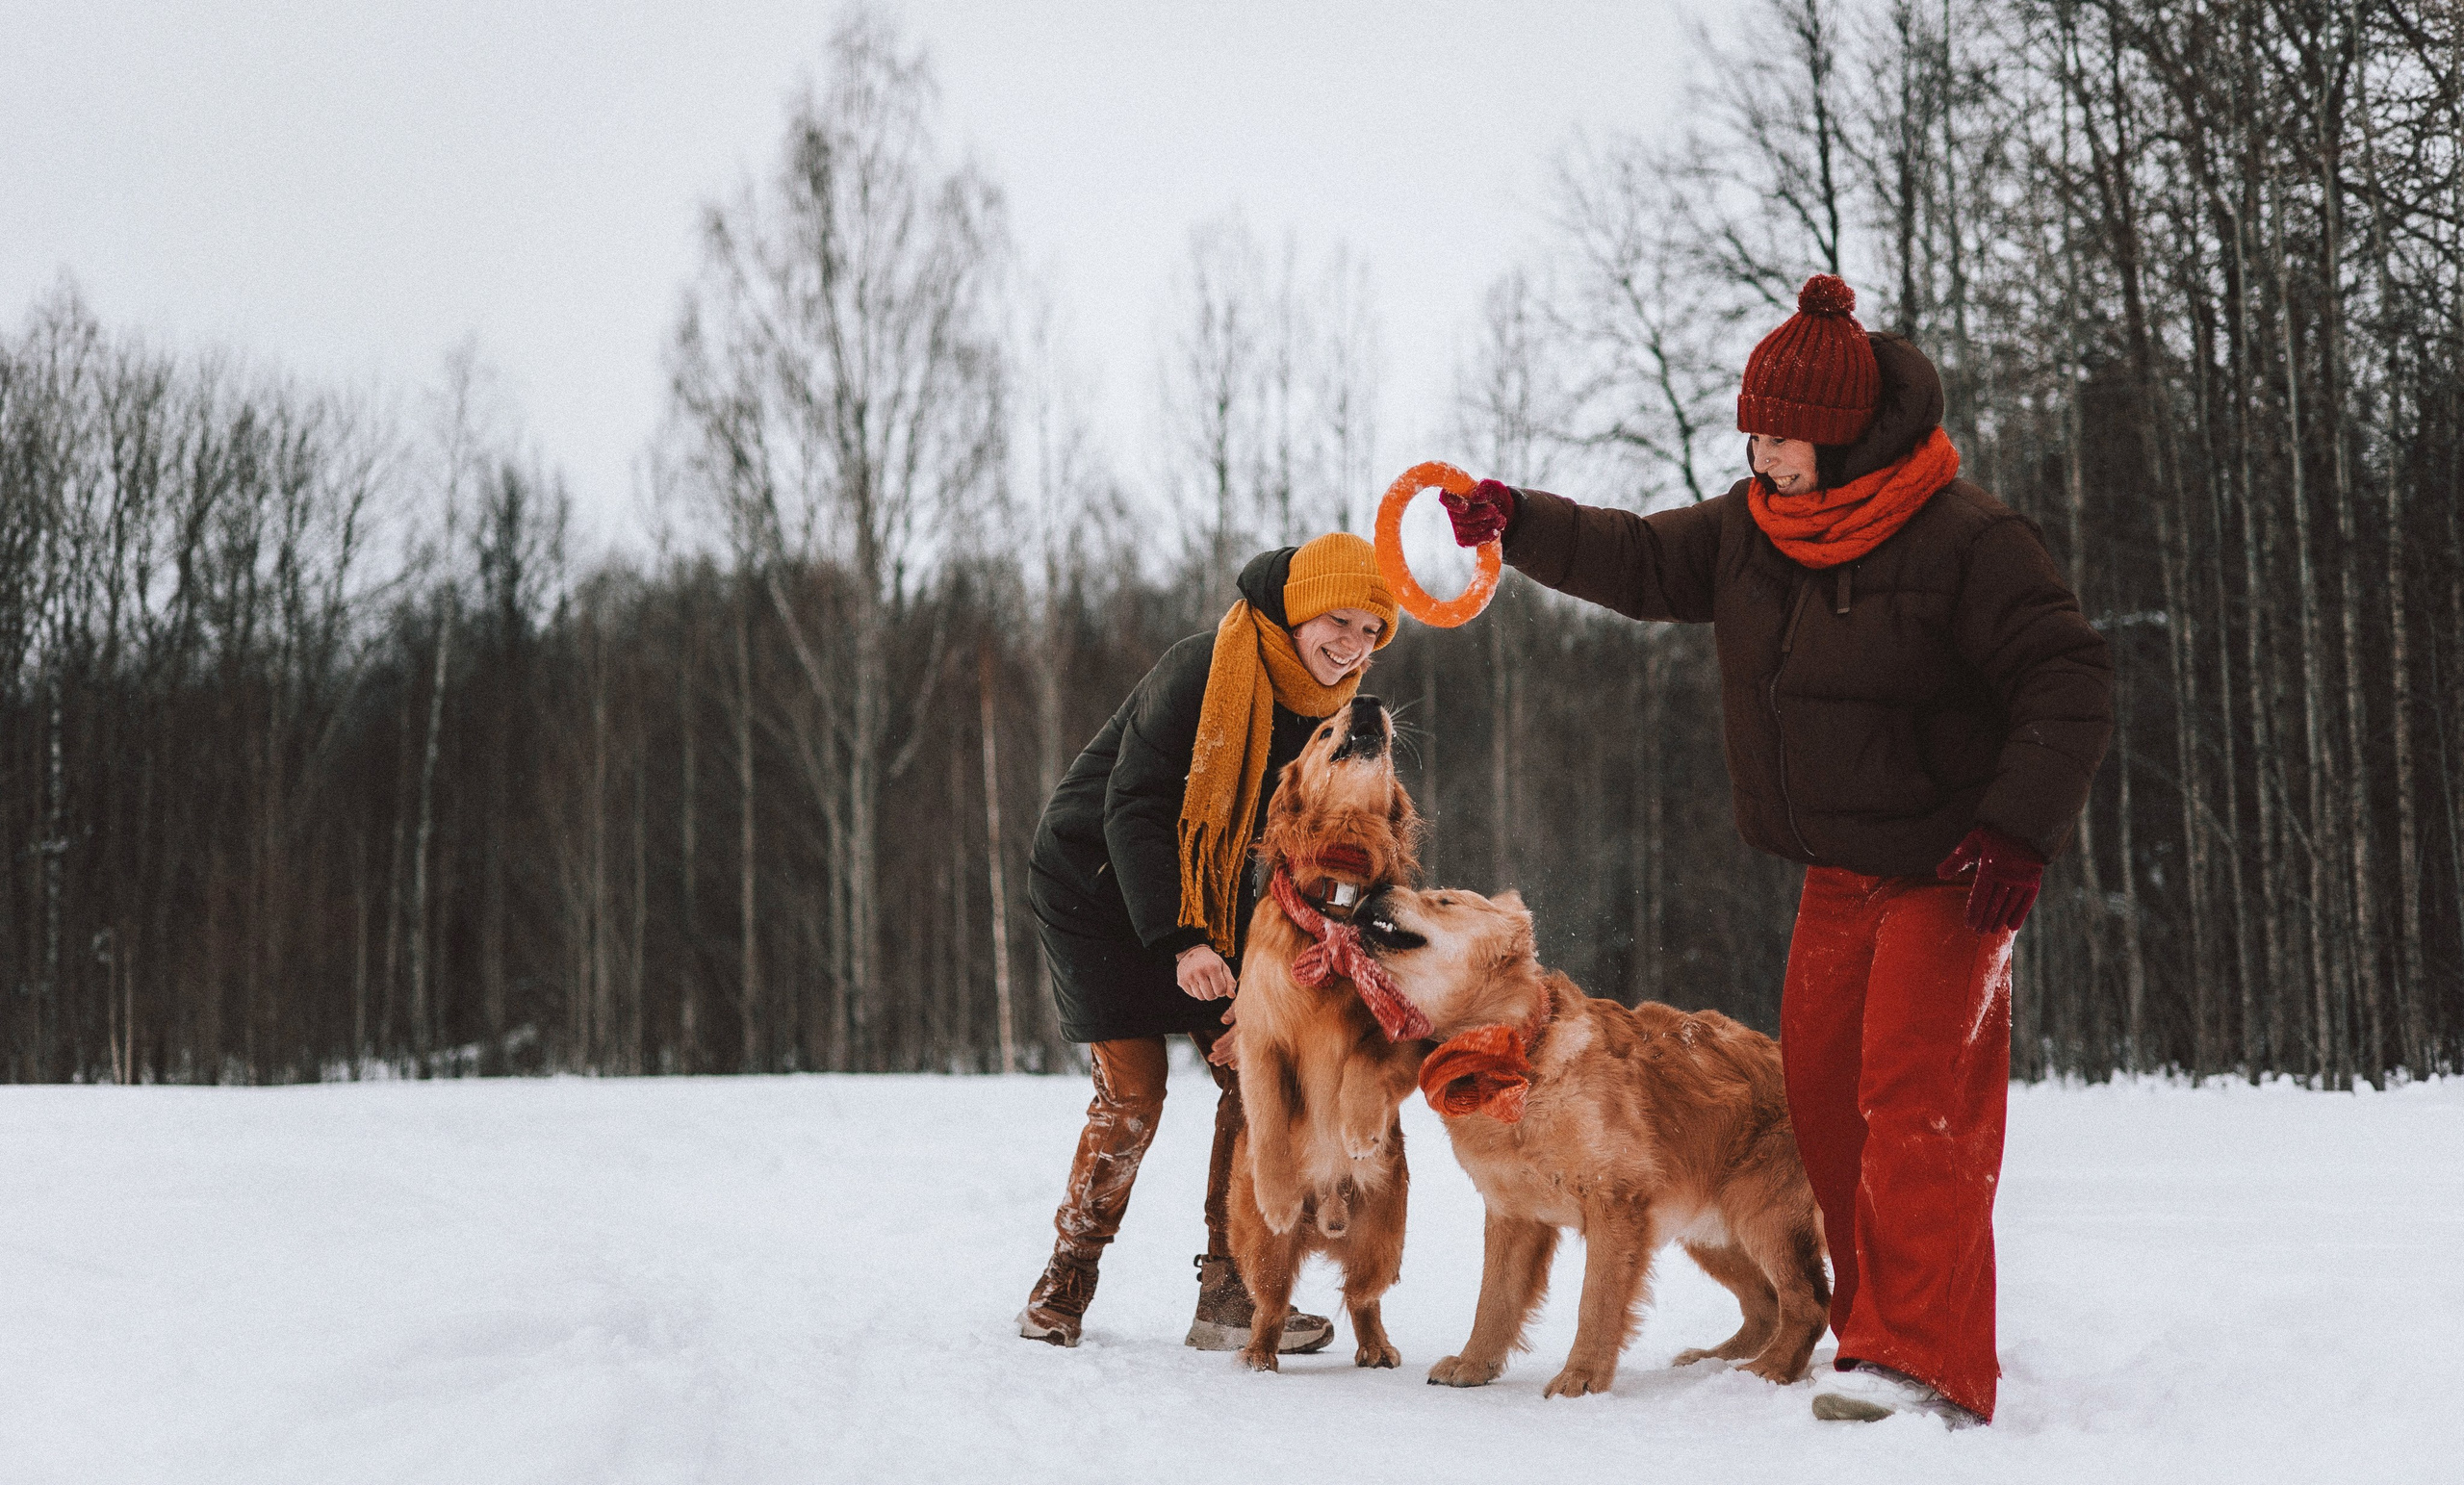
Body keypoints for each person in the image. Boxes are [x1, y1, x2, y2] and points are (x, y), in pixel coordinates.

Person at [1440, 274, 2112, 1426]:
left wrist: (2016, 825)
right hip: (1835, 871)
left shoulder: (1968, 539)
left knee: (1916, 1099)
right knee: (1822, 1099)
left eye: (1785, 435)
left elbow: (2070, 675)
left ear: (1847, 435)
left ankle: (1926, 1361)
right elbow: (1647, 561)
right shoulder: (1757, 525)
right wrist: (1524, 520)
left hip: (1951, 870)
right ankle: (1871, 1325)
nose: (1761, 454)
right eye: (1751, 430)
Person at [1016, 533, 1400, 1351]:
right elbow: (1136, 811)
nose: (1352, 645)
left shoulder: (1335, 708)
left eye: (1372, 631)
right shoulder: (1207, 667)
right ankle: (1066, 1277)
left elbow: (1305, 841)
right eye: (1339, 620)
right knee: (1136, 1092)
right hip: (1098, 882)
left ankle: (1230, 1290)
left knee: (1249, 1073)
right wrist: (1184, 941)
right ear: (1298, 610)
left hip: (1215, 898)